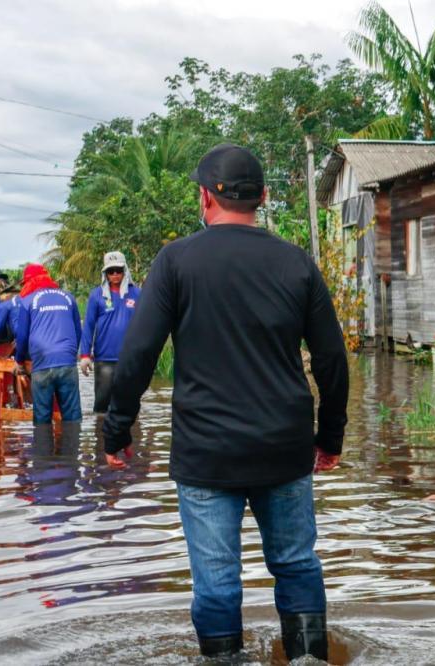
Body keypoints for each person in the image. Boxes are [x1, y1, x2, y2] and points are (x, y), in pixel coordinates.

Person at [102, 144, 349, 661]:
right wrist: (329, 438)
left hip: (206, 454)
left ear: (204, 198)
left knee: (216, 584)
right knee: (298, 565)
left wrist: (117, 430)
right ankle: (309, 658)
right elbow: (330, 358)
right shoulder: (295, 263)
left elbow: (139, 354)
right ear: (261, 197)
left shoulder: (176, 262)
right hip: (284, 449)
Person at [15, 264, 82, 425]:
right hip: (67, 362)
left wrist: (19, 361)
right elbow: (78, 330)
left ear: (29, 281)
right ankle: (72, 449)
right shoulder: (68, 297)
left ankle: (42, 449)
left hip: (42, 364)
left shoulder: (27, 300)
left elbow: (22, 336)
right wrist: (71, 354)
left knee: (42, 416)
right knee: (72, 416)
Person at [79, 251, 141, 414]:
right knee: (101, 406)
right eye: (110, 271)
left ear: (125, 270)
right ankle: (100, 437)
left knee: (129, 405)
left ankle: (132, 438)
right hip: (104, 359)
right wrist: (85, 356)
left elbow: (145, 325)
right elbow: (88, 327)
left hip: (130, 359)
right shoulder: (96, 295)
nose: (115, 274)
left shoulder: (137, 293)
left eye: (118, 270)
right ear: (105, 273)